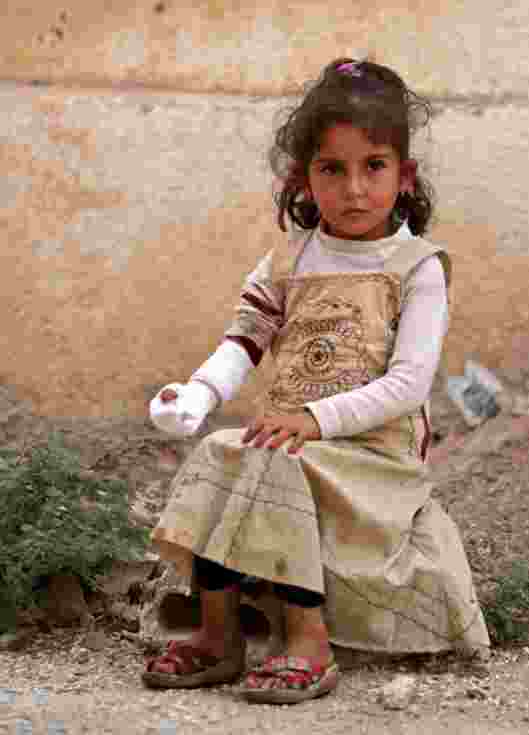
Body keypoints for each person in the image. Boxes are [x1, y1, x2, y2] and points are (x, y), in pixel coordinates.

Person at [141, 57, 490, 705]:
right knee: (223, 450)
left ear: (404, 174)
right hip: (293, 443)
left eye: (374, 166)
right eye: (332, 168)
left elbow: (409, 385)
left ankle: (308, 640)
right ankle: (219, 635)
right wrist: (196, 397)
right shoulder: (289, 258)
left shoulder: (417, 268)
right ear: (305, 177)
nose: (354, 188)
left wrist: (313, 420)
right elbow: (243, 338)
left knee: (277, 462)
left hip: (370, 460)